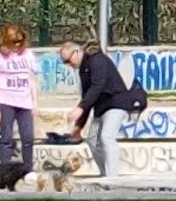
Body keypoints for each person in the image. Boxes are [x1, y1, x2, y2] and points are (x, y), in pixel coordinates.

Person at [60, 40, 144, 177]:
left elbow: (97, 87)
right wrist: (79, 127)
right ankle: (105, 174)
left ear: (76, 52)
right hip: (102, 107)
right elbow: (87, 97)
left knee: (107, 136)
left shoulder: (97, 60)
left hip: (116, 102)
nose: (68, 65)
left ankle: (112, 179)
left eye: (68, 61)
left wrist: (80, 108)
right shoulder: (83, 68)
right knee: (92, 140)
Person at [0, 25, 41, 183]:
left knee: (28, 137)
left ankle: (28, 169)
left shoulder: (28, 54)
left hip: (25, 102)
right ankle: (6, 171)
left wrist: (35, 102)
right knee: (7, 138)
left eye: (19, 42)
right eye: (13, 42)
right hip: (5, 101)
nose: (17, 45)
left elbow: (31, 79)